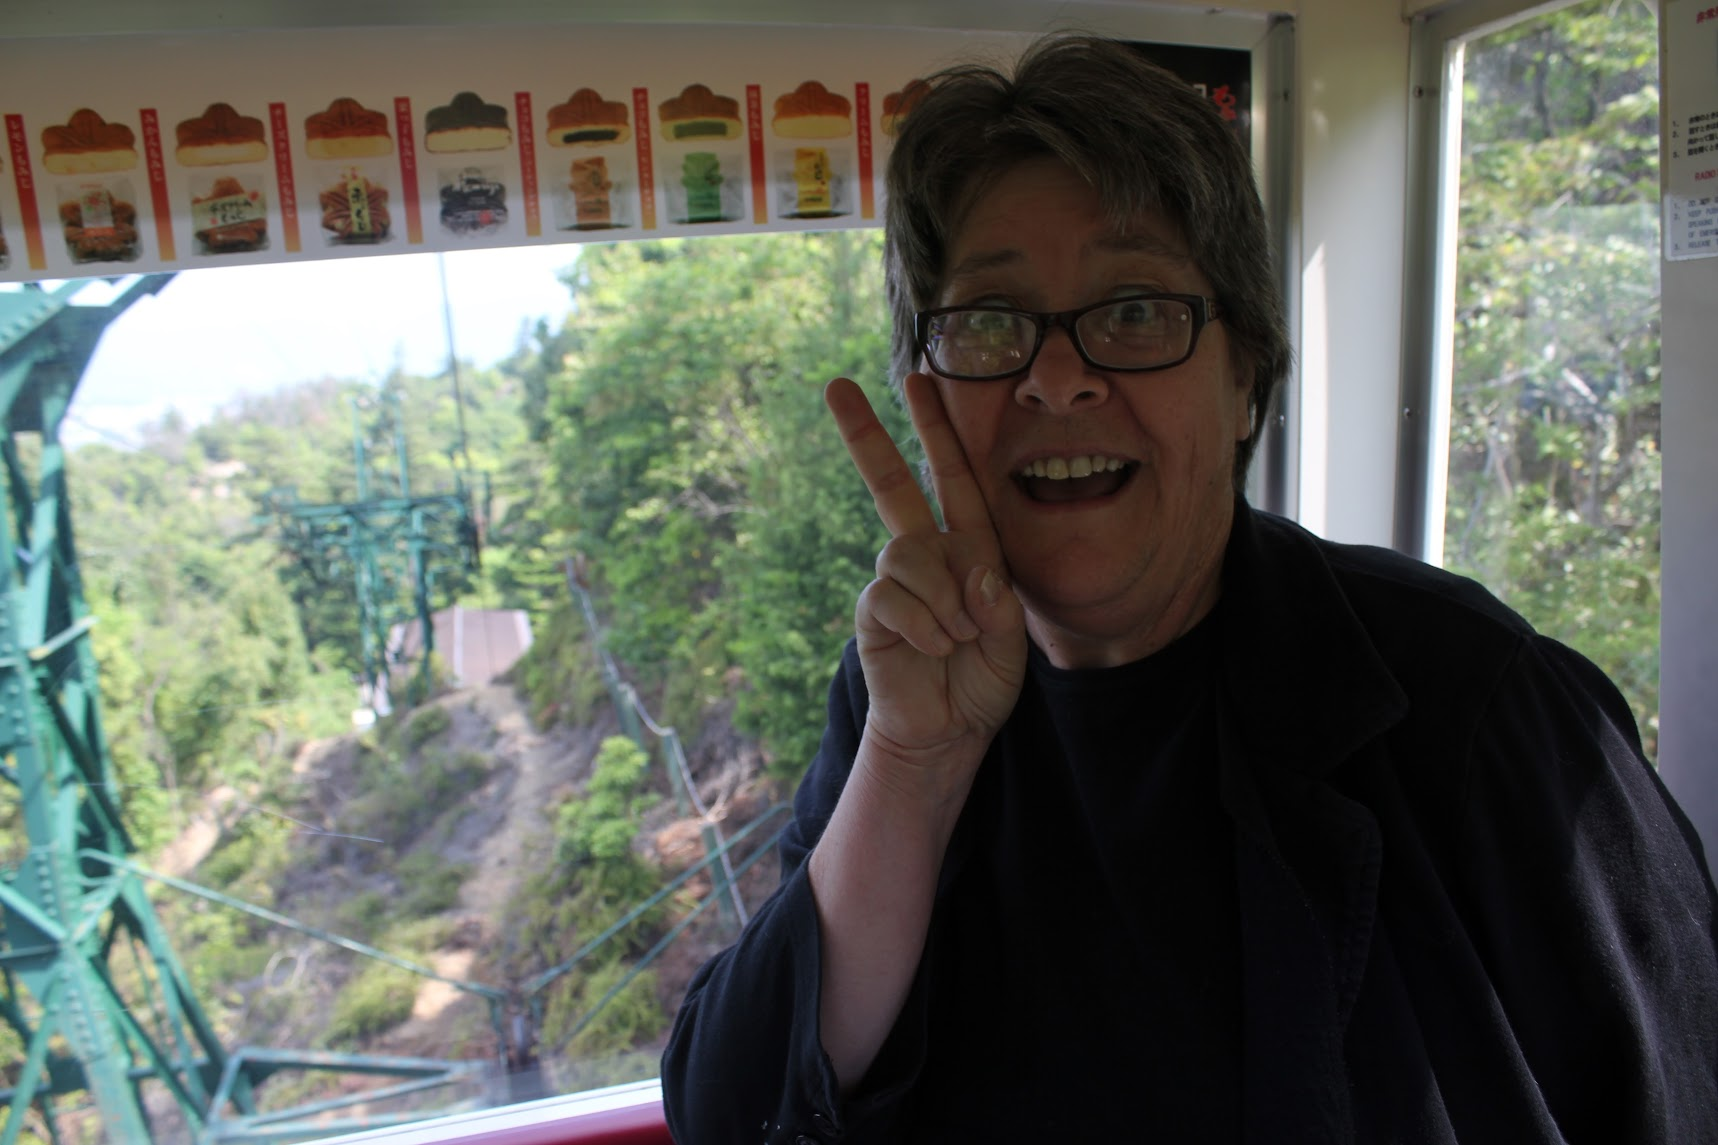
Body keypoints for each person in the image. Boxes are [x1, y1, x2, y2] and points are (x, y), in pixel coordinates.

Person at [660, 34, 1718, 1143]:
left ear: (1243, 369)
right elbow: (732, 1111)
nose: (1056, 379)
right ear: (929, 390)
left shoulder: (1475, 702)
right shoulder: (902, 694)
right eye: (989, 321)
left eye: (1132, 309)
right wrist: (912, 767)